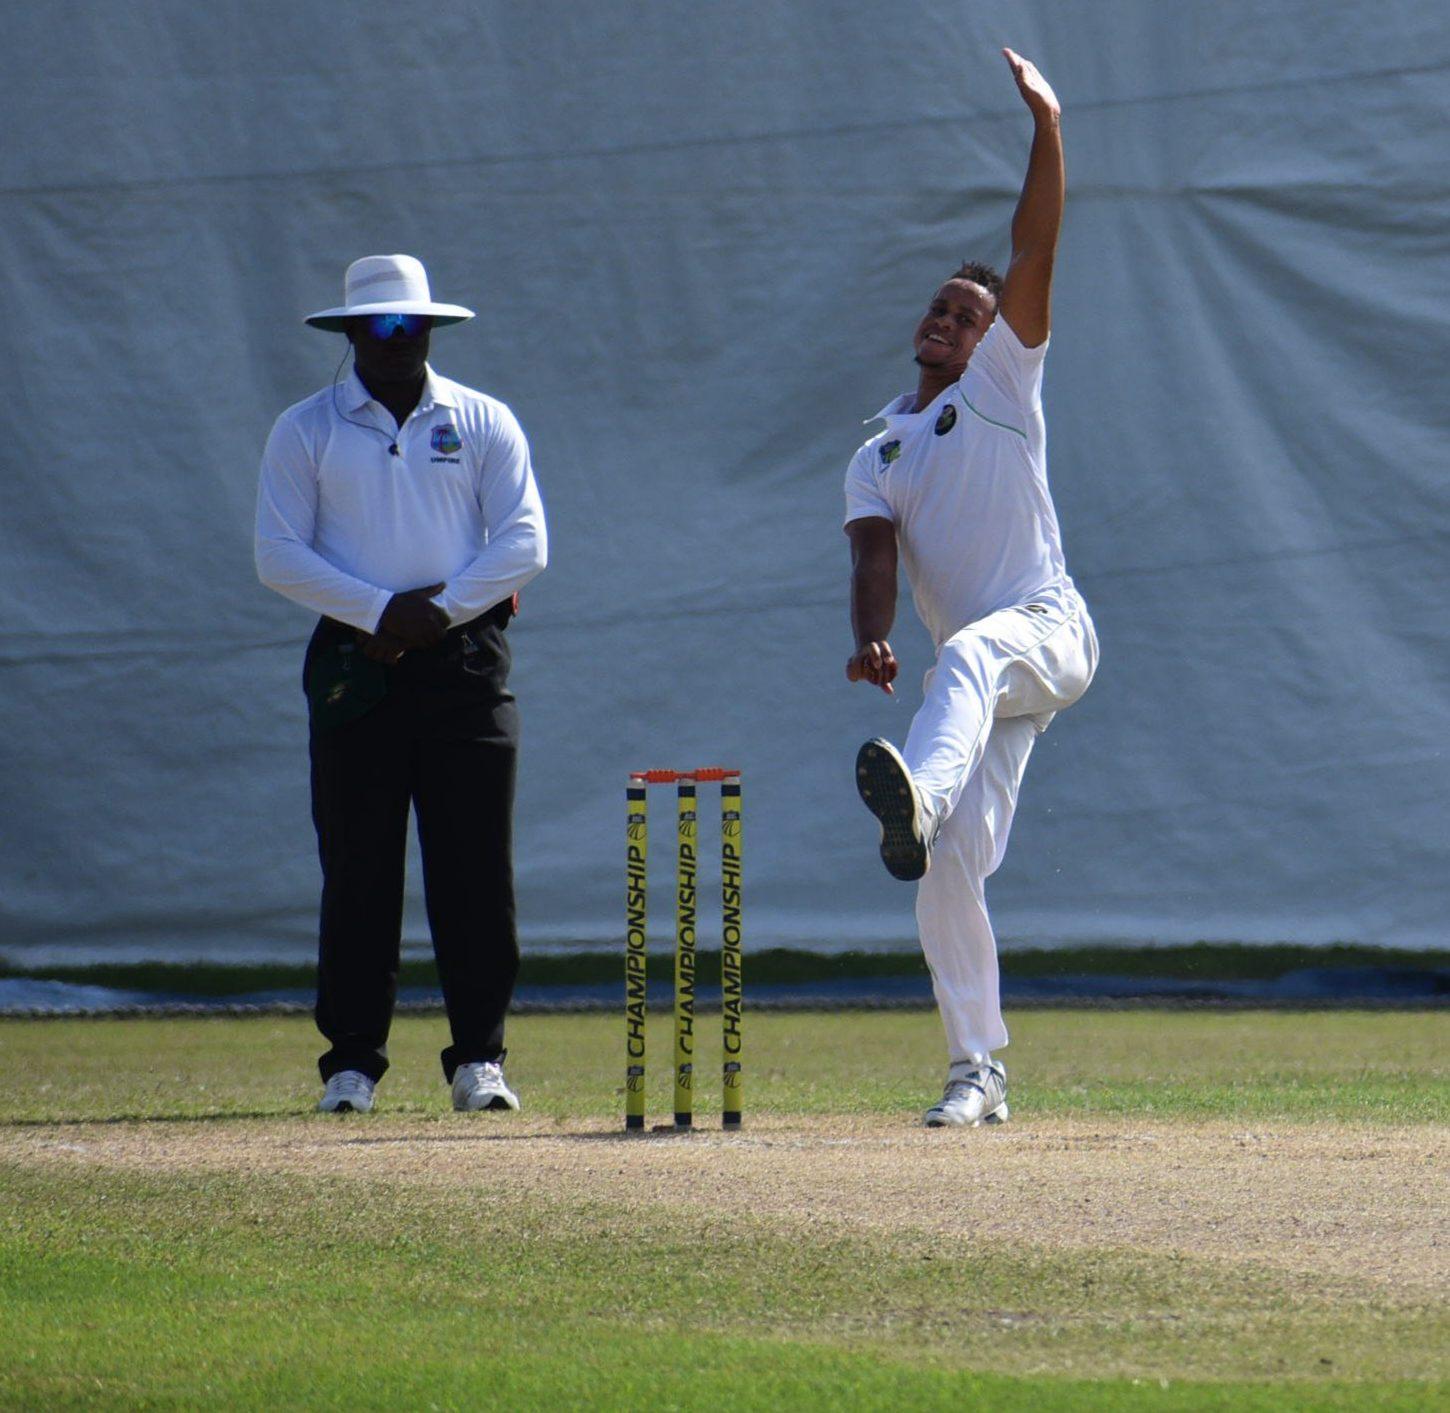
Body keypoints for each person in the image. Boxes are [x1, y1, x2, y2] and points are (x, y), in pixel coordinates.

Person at [843, 52, 1098, 1127]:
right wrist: (869, 640)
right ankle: (974, 1069)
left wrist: (1046, 124)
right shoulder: (880, 449)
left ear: (994, 336)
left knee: (974, 651)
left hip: (1047, 632)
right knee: (948, 867)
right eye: (937, 309)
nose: (947, 320)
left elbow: (1032, 245)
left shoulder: (1003, 380)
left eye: (966, 311)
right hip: (975, 687)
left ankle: (924, 795)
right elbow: (873, 559)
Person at [256, 253, 547, 1115]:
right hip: (359, 665)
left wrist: (439, 612)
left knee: (474, 866)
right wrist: (380, 612)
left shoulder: (482, 418)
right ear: (350, 334)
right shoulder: (304, 428)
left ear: (428, 329)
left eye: (406, 324)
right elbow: (278, 555)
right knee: (359, 866)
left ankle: (480, 1060)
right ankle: (351, 1062)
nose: (392, 339)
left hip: (463, 661)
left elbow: (525, 541)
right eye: (375, 325)